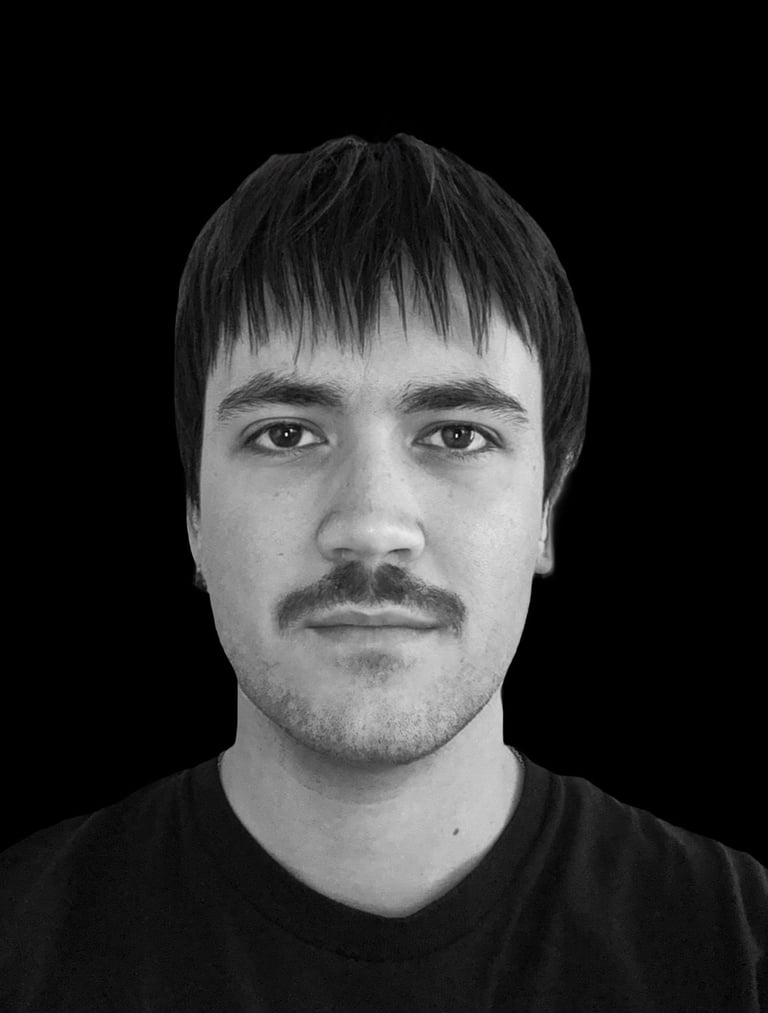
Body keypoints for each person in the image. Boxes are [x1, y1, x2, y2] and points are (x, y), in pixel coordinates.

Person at [1, 134, 765, 1011]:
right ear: (193, 514)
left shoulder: (738, 952)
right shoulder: (15, 944)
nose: (370, 527)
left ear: (547, 510)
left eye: (457, 434)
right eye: (286, 433)